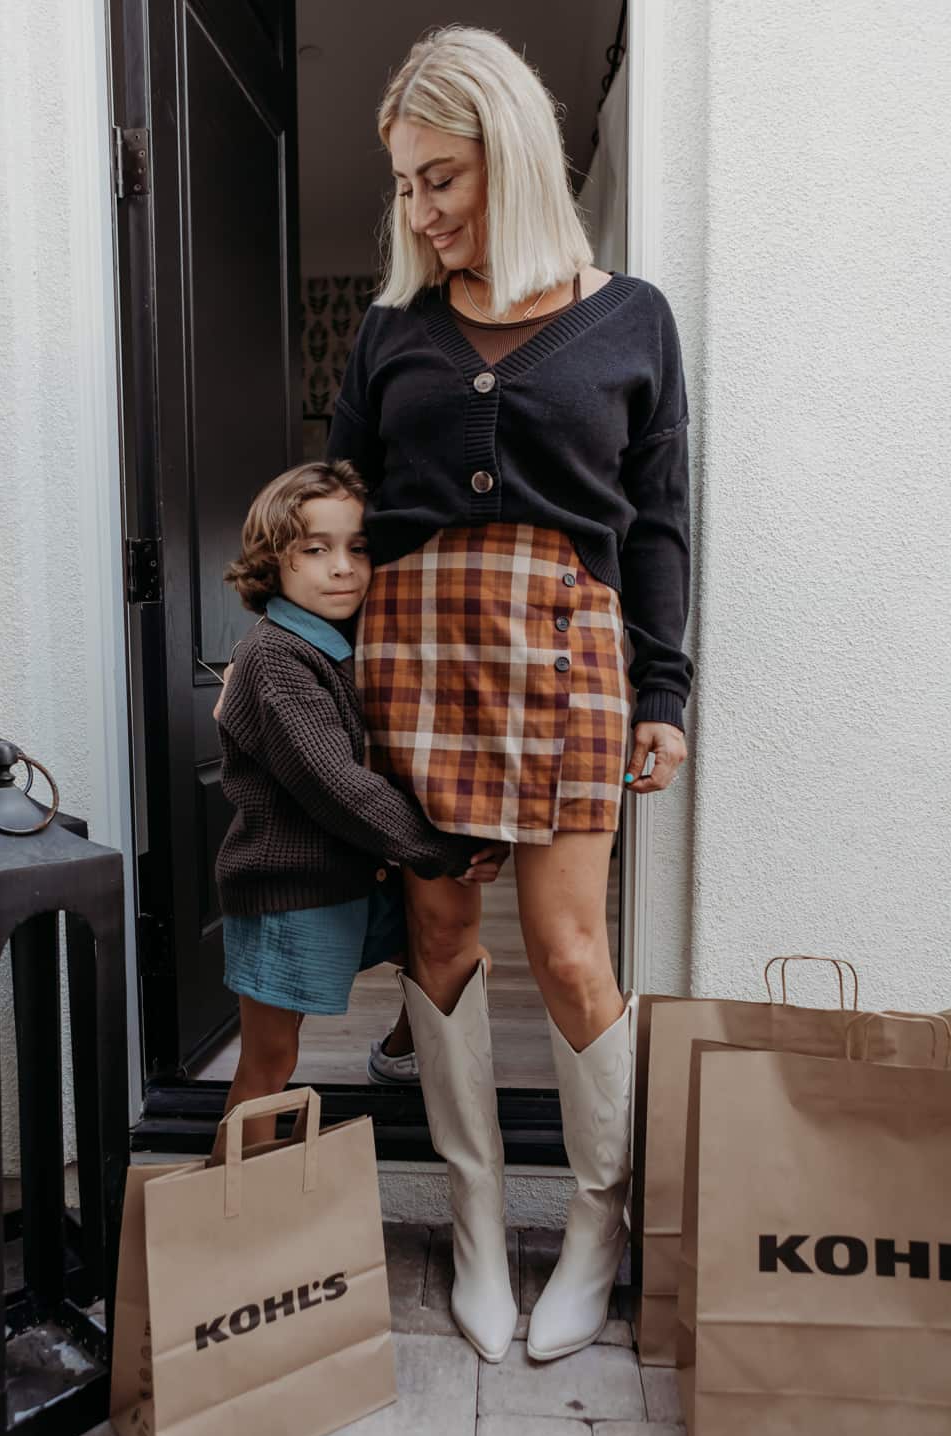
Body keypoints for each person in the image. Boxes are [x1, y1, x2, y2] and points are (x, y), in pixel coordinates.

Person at [326, 26, 691, 1365]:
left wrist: (665, 687)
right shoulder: (392, 331)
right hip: (415, 647)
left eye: (443, 179)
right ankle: (479, 1226)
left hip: (570, 646)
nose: (419, 211)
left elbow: (654, 520)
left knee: (573, 951)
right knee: (436, 933)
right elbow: (343, 508)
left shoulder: (631, 315)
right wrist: (303, 671)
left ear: (516, 160)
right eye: (406, 186)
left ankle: (594, 1229)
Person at [215, 459, 506, 1146]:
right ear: (273, 561)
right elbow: (334, 784)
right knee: (270, 1062)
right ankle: (234, 1216)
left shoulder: (352, 646)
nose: (342, 567)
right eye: (316, 549)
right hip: (292, 893)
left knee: (463, 961)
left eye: (358, 548)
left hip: (358, 881)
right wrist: (442, 849)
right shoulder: (276, 659)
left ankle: (400, 1055)